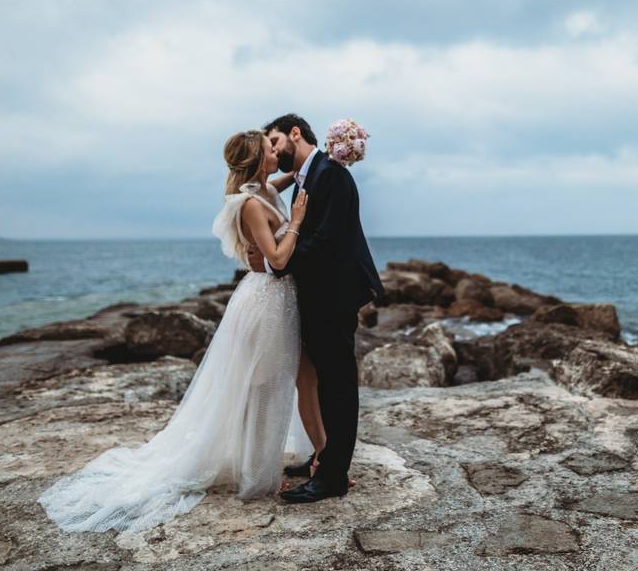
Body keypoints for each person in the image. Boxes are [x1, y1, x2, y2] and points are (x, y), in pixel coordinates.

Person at [38, 130, 311, 532]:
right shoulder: (252, 203)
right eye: (272, 148)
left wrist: (318, 166)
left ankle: (261, 465)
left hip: (280, 300)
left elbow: (292, 179)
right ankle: (258, 479)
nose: (279, 151)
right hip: (266, 299)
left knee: (274, 382)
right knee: (263, 386)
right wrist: (299, 220)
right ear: (257, 159)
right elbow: (277, 257)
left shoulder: (266, 189)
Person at [247, 113, 384, 504]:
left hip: (335, 296)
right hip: (318, 295)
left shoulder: (332, 175)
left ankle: (333, 476)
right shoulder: (309, 177)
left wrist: (277, 262)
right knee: (322, 380)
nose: (272, 150)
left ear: (295, 133)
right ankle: (324, 459)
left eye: (274, 141)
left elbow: (325, 241)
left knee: (339, 385)